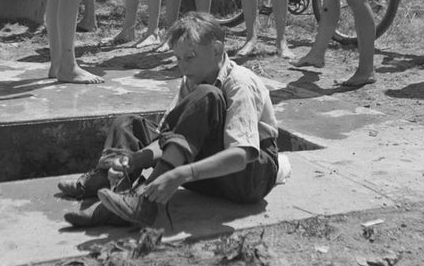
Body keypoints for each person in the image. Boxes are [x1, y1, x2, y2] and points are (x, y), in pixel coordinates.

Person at [58, 12, 281, 228]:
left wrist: (183, 173)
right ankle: (112, 189)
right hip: (212, 175)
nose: (182, 66)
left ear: (216, 50)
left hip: (248, 179)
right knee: (128, 124)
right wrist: (134, 161)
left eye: (190, 57)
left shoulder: (239, 83)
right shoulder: (192, 79)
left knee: (207, 95)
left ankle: (144, 201)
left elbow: (240, 156)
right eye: (178, 58)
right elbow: (170, 139)